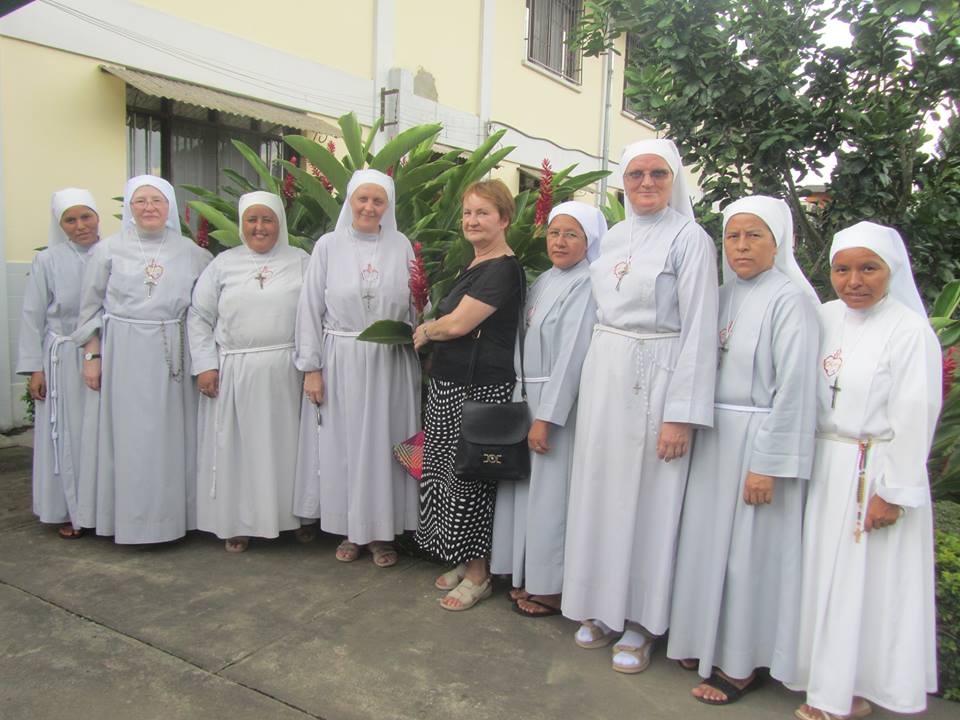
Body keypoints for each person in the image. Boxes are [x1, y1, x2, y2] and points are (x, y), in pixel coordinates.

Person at [561, 139, 718, 672]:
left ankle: (642, 621)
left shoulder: (690, 239)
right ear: (622, 183)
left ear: (674, 180)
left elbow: (698, 328)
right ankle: (602, 607)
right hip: (607, 372)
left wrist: (681, 413)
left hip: (659, 372)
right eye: (635, 175)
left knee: (648, 498)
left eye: (657, 174)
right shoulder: (615, 238)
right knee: (601, 490)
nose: (645, 183)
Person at [666, 196, 820, 704]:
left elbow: (796, 389)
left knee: (747, 556)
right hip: (715, 435)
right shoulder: (723, 293)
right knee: (705, 546)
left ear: (779, 242)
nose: (741, 245)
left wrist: (768, 466)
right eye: (732, 236)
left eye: (754, 235)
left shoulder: (789, 299)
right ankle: (699, 639)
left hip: (757, 441)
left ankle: (740, 662)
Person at [789, 222, 941, 720]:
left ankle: (848, 693)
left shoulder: (909, 331)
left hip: (871, 471)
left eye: (868, 268)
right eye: (842, 268)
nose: (854, 280)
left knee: (863, 587)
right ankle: (821, 678)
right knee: (821, 581)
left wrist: (894, 493)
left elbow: (916, 415)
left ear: (890, 271)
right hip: (826, 466)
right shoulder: (825, 316)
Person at [294, 169, 420, 567]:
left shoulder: (401, 245)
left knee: (386, 444)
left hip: (389, 361)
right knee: (345, 446)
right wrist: (311, 368)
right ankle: (350, 528)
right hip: (341, 359)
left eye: (377, 200)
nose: (369, 207)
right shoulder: (328, 246)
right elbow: (309, 307)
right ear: (349, 200)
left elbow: (418, 303)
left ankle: (382, 533)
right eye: (362, 199)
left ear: (388, 206)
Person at [76, 175, 212, 544]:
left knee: (173, 440)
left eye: (157, 200)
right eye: (141, 201)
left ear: (169, 206)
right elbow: (88, 311)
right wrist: (92, 355)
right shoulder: (106, 251)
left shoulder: (193, 254)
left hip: (174, 355)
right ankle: (128, 520)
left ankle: (175, 519)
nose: (149, 207)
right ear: (129, 208)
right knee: (131, 440)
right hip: (124, 353)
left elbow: (207, 312)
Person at [412, 179, 524, 611]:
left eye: (483, 213)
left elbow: (458, 324)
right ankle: (463, 558)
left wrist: (427, 330)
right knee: (445, 474)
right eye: (467, 213)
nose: (472, 221)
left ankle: (479, 576)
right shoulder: (477, 264)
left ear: (504, 219)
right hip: (452, 385)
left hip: (478, 392)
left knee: (470, 480)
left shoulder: (502, 269)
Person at [490, 201, 603, 617]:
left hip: (556, 406)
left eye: (571, 234)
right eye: (555, 233)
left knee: (552, 498)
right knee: (525, 492)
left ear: (589, 241)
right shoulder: (543, 280)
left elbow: (573, 353)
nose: (560, 241)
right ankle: (526, 574)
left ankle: (553, 587)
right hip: (526, 397)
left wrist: (548, 416)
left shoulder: (588, 283)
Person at [189, 191, 310, 552]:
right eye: (252, 220)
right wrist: (205, 365)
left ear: (279, 223)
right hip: (234, 370)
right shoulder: (223, 264)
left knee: (286, 449)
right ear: (242, 225)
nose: (260, 227)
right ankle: (236, 522)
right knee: (238, 451)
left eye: (267, 219)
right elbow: (199, 316)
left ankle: (293, 517)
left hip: (286, 371)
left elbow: (317, 311)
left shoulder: (301, 260)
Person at [16, 189, 101, 538]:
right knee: (68, 435)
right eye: (70, 219)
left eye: (86, 216)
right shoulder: (47, 260)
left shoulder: (112, 254)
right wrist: (35, 368)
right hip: (63, 357)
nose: (80, 226)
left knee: (98, 436)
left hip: (104, 356)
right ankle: (69, 509)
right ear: (60, 225)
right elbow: (32, 315)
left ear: (97, 217)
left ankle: (100, 508)